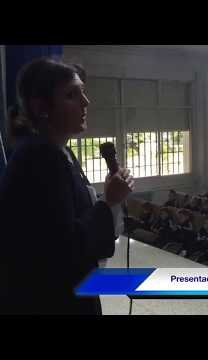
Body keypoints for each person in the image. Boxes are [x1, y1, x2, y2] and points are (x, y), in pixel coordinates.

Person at [0, 58, 134, 315]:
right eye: (72, 94)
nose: (86, 102)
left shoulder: (60, 153)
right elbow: (66, 250)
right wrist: (109, 202)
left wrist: (108, 202)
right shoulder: (39, 160)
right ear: (42, 107)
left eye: (83, 91)